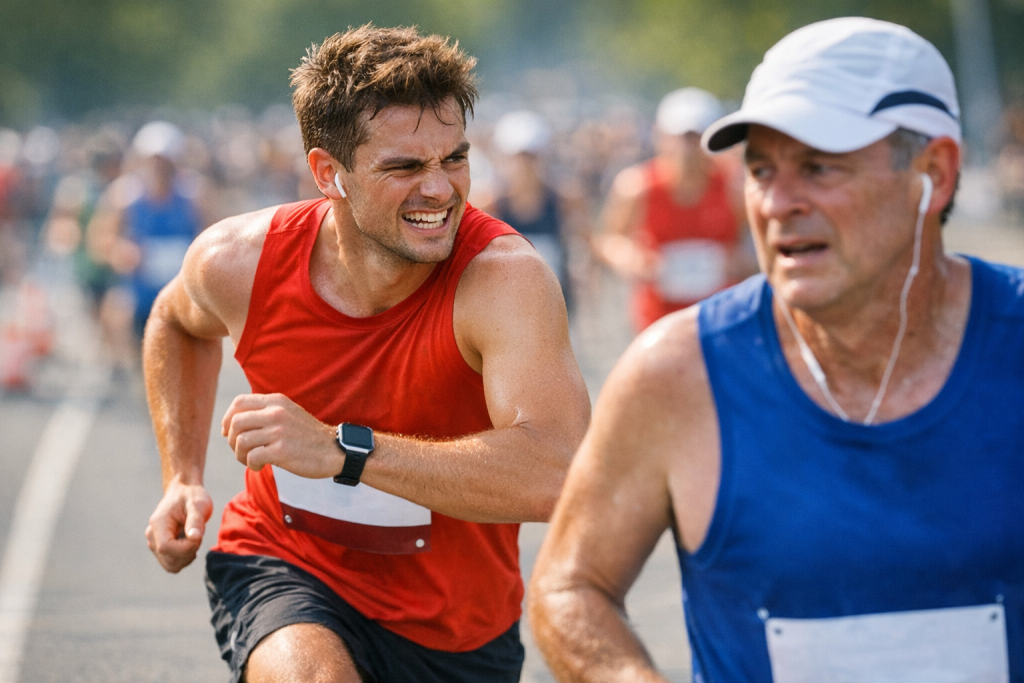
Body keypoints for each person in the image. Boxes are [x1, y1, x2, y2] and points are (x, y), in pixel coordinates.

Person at [529, 17, 1024, 683]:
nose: (777, 203)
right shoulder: (674, 371)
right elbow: (569, 585)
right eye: (761, 170)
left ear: (933, 173)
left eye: (819, 167)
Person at [143, 25, 590, 683]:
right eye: (405, 166)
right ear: (330, 173)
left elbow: (560, 472)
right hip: (286, 568)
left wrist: (344, 451)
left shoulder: (502, 279)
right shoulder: (238, 262)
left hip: (456, 626)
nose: (440, 190)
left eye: (456, 158)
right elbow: (175, 322)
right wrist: (181, 475)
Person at [595, 87, 750, 334]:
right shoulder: (636, 186)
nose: (687, 147)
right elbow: (608, 239)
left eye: (696, 136)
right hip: (658, 320)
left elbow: (761, 242)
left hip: (721, 319)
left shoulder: (734, 185)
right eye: (681, 137)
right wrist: (630, 258)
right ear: (661, 136)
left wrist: (744, 262)